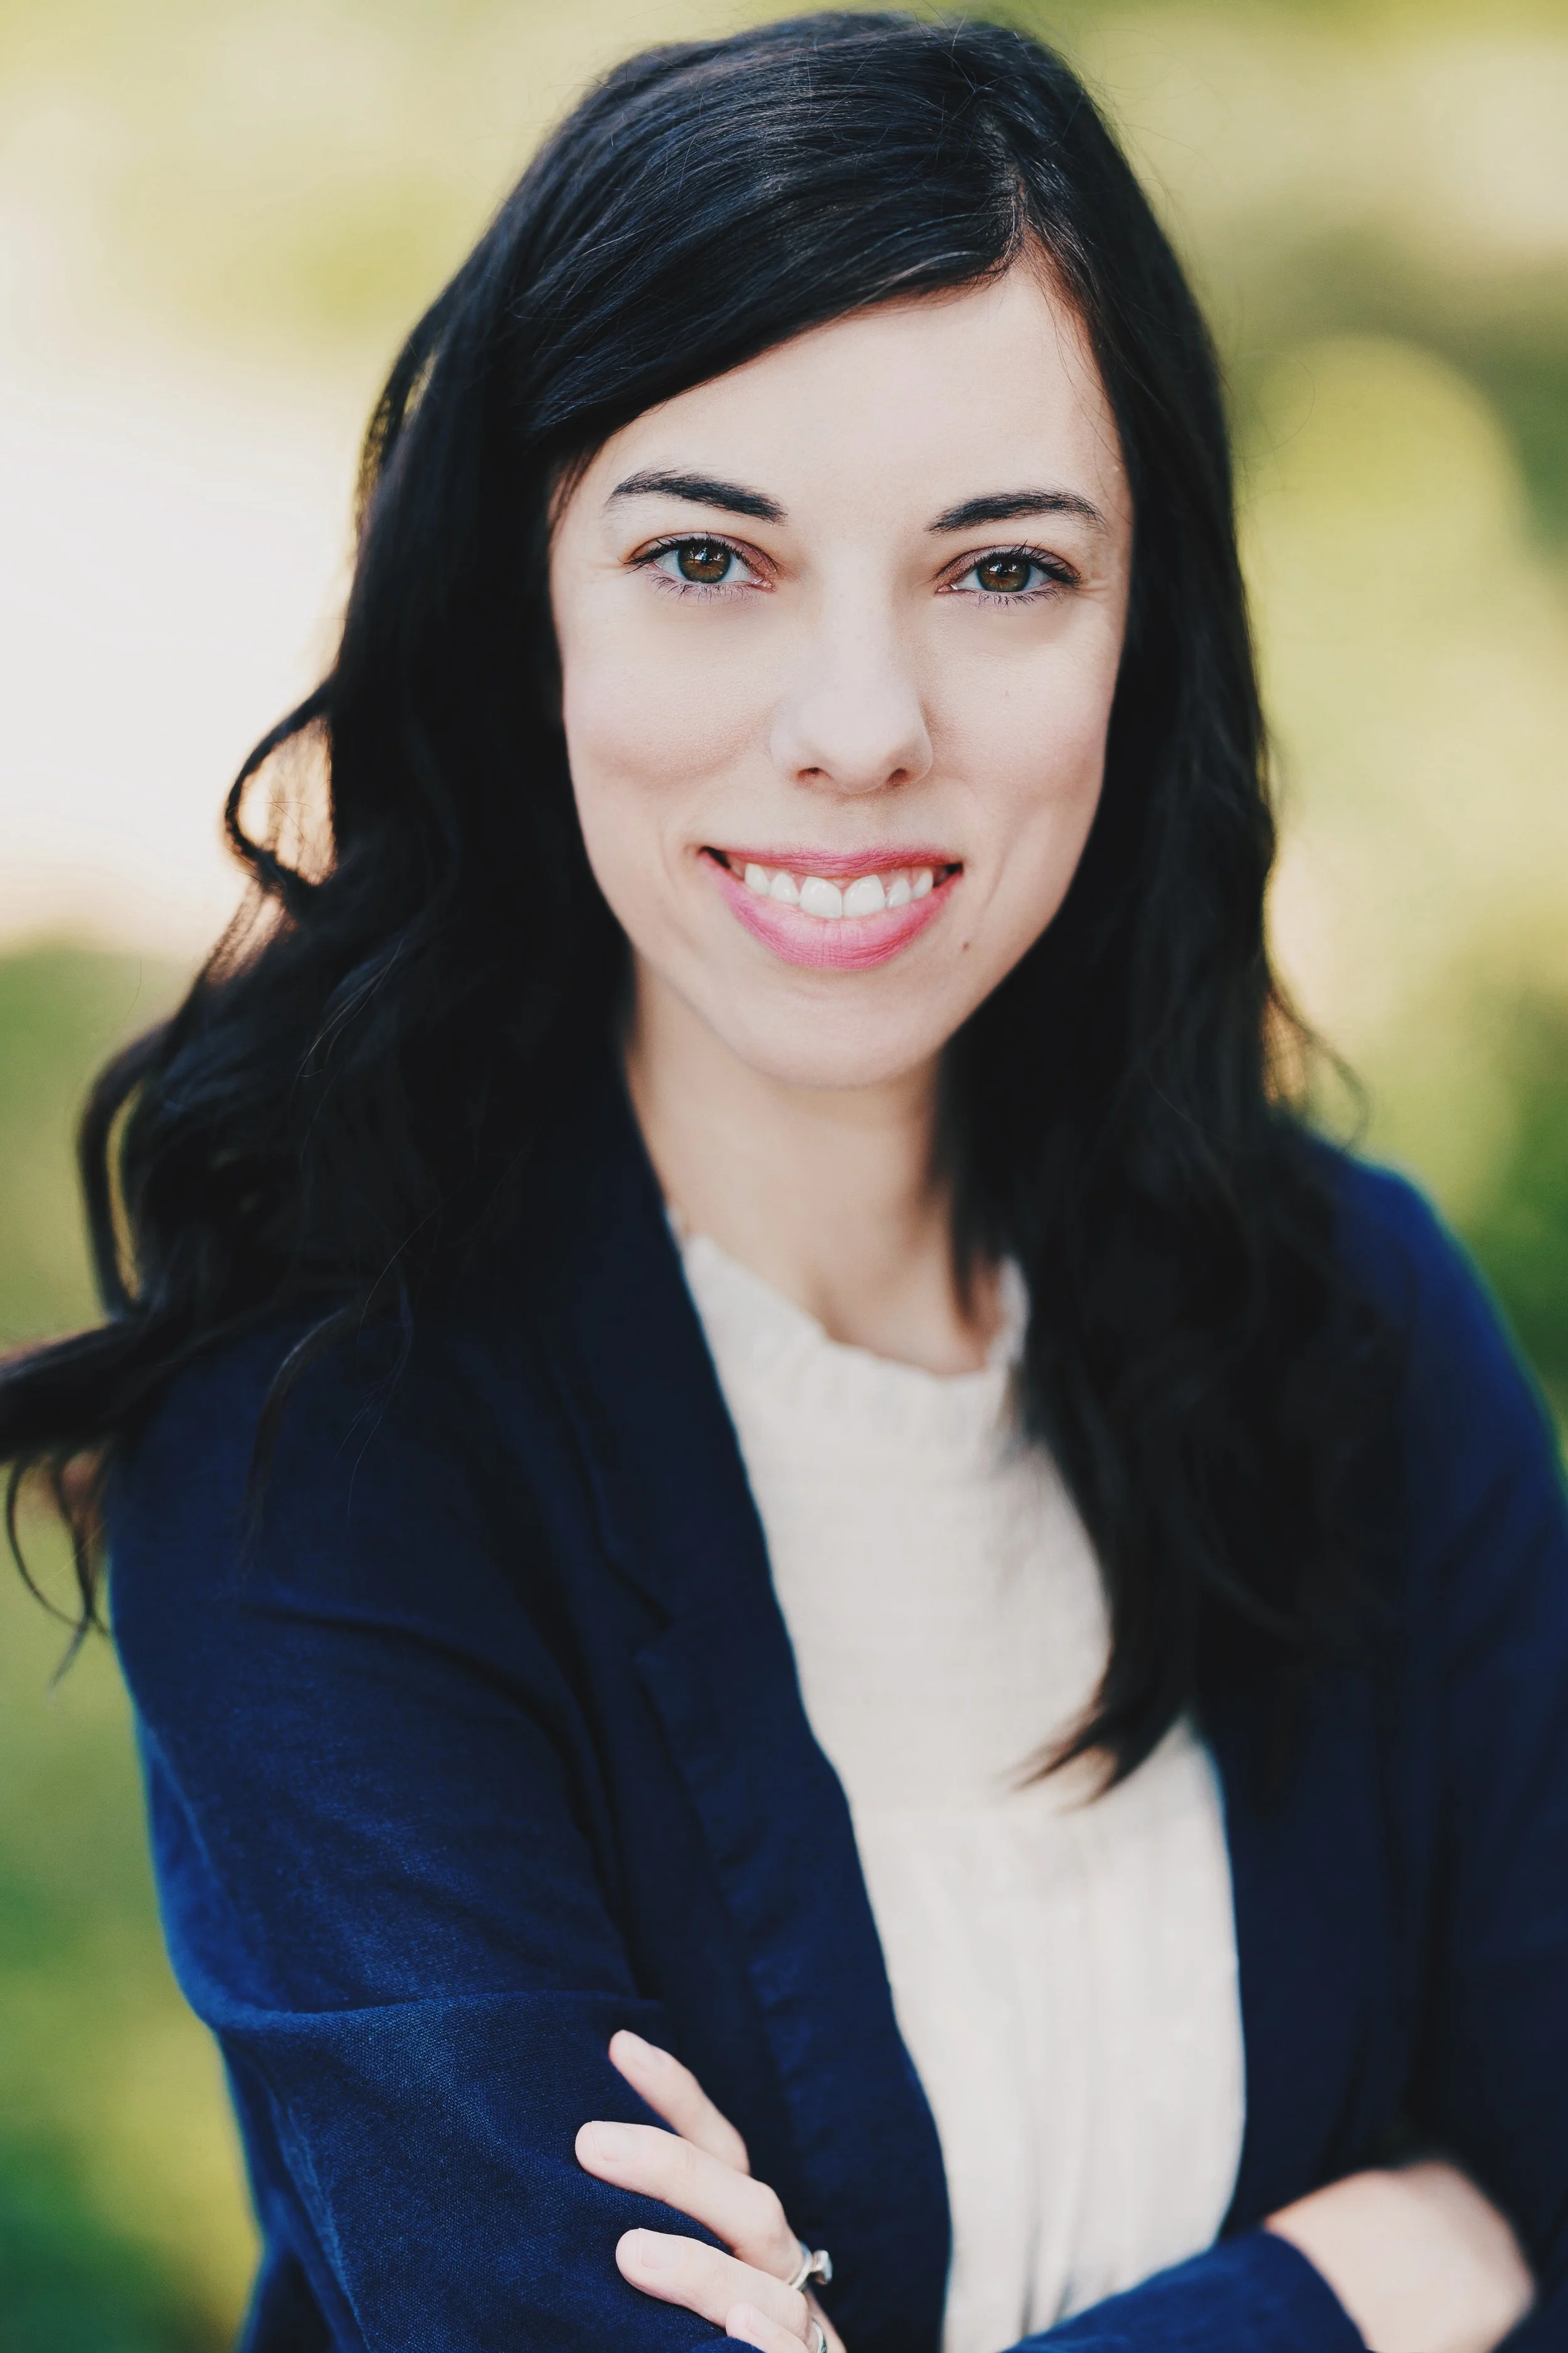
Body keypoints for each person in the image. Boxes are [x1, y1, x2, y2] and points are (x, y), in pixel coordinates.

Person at [2, 14, 1562, 2350]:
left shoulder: (1353, 1324)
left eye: (1001, 571)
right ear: (523, 601)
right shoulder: (329, 1432)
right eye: (706, 557)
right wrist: (1365, 2277)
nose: (855, 725)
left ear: (1141, 632)